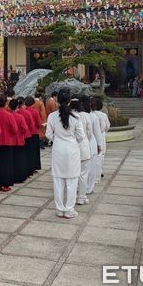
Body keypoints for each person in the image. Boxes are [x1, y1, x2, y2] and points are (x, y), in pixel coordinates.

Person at [46, 89, 85, 219]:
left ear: (57, 100)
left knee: (58, 180)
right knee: (72, 180)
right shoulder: (76, 117)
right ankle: (69, 209)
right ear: (69, 101)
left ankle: (59, 209)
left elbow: (48, 134)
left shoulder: (52, 116)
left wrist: (56, 139)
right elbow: (81, 136)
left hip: (58, 149)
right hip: (72, 149)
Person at [71, 97, 93, 205]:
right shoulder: (86, 116)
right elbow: (89, 133)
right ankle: (81, 197)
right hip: (83, 147)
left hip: (71, 147)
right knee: (83, 174)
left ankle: (73, 196)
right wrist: (86, 141)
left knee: (72, 174)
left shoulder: (67, 115)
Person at [0, 95, 17, 192]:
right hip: (7, 141)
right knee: (7, 164)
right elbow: (15, 130)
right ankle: (6, 184)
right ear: (6, 104)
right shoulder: (9, 115)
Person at [9, 99, 30, 184]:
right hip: (19, 139)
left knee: (11, 160)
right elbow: (25, 129)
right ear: (17, 106)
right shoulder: (20, 117)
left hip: (10, 141)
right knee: (20, 160)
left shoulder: (9, 115)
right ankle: (20, 176)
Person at [91, 97, 110, 183]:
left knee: (92, 156)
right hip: (101, 136)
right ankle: (98, 174)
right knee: (100, 156)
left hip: (91, 136)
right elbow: (107, 126)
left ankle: (93, 175)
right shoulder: (103, 115)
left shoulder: (89, 114)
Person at [24, 96, 43, 174]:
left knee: (27, 151)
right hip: (34, 132)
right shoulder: (34, 111)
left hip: (26, 133)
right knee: (34, 151)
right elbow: (38, 122)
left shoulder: (24, 110)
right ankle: (34, 166)